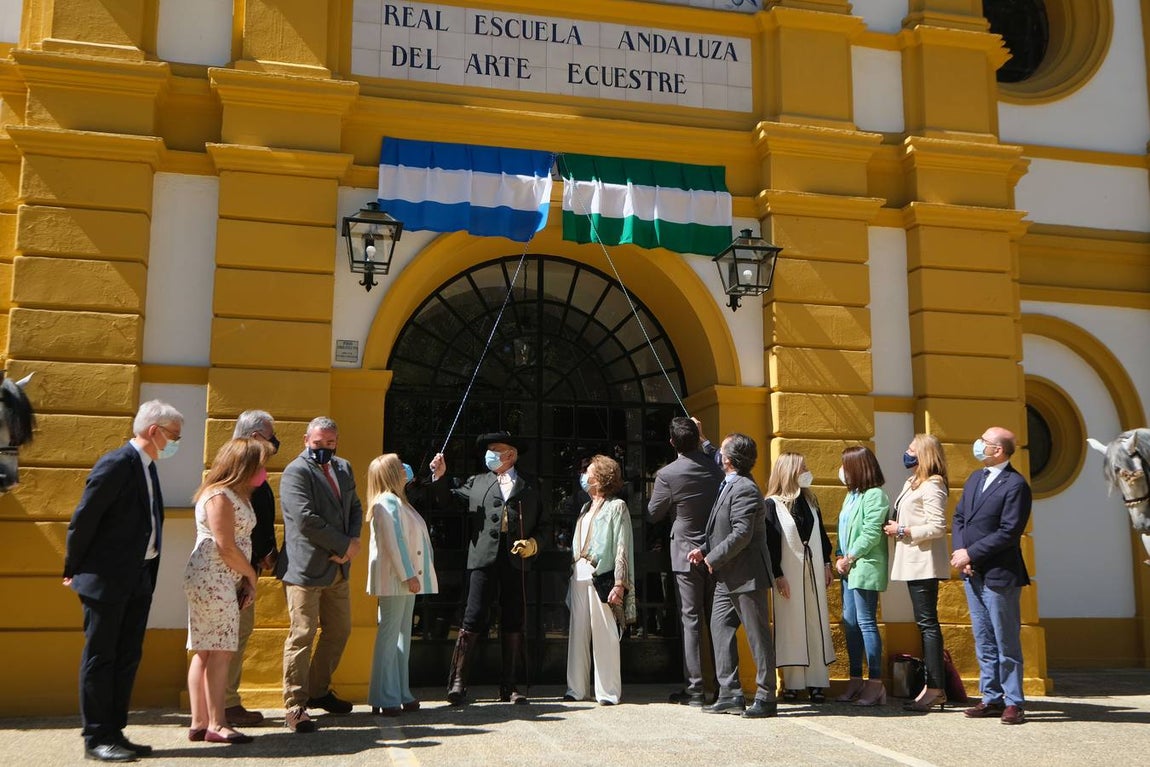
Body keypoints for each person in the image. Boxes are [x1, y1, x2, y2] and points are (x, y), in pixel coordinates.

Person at [63, 400, 184, 762]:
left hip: (138, 577)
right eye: (174, 436)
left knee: (127, 656)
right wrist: (73, 568)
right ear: (153, 432)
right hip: (105, 578)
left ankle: (115, 731)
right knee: (102, 657)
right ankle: (96, 737)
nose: (176, 443)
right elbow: (84, 519)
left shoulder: (148, 467)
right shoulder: (117, 463)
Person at [430, 431, 551, 704]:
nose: (491, 454)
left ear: (511, 455)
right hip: (482, 561)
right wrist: (440, 476)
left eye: (497, 449)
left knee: (513, 620)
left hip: (516, 561)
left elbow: (545, 526)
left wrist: (533, 544)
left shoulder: (531, 485)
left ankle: (509, 685)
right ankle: (458, 683)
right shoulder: (477, 482)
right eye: (489, 449)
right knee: (472, 618)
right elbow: (447, 501)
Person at [276, 417, 364, 733]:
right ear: (305, 440)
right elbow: (305, 519)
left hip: (339, 566)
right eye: (318, 444)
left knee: (339, 630)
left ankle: (318, 690)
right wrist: (343, 544)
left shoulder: (344, 467)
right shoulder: (295, 472)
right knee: (302, 634)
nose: (325, 449)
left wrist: (352, 544)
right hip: (305, 568)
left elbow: (355, 506)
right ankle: (295, 705)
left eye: (330, 444)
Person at [687, 433, 777, 719]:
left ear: (727, 459)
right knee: (720, 629)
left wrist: (713, 558)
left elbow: (741, 534)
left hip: (747, 576)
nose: (718, 454)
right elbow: (721, 528)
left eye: (721, 451)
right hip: (728, 576)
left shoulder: (745, 489)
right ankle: (730, 693)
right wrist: (704, 549)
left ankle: (766, 696)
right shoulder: (729, 484)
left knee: (757, 637)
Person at [184, 438, 268, 745]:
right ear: (242, 465)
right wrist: (251, 576)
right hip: (213, 578)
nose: (263, 470)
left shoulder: (232, 493)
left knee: (205, 650)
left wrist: (244, 577)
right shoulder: (219, 495)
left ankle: (200, 722)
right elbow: (226, 546)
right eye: (259, 464)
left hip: (218, 578)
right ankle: (216, 724)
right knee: (219, 650)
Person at [951, 427, 1032, 725]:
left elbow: (1009, 532)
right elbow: (959, 518)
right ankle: (992, 697)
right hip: (972, 572)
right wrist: (962, 553)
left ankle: (1014, 702)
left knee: (1005, 639)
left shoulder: (1016, 485)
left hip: (1000, 574)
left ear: (999, 450)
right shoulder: (976, 478)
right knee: (983, 637)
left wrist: (972, 553)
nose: (979, 445)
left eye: (984, 441)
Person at [647, 417, 723, 706]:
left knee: (691, 621)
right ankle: (722, 686)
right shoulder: (716, 467)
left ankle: (694, 689)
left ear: (671, 443)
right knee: (717, 620)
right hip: (716, 552)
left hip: (685, 553)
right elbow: (719, 456)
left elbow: (654, 513)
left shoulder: (668, 474)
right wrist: (705, 438)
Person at [365, 454, 439, 716]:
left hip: (404, 580)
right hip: (396, 579)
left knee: (400, 638)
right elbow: (393, 542)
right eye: (399, 466)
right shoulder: (387, 503)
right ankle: (383, 695)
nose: (404, 469)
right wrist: (408, 574)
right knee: (390, 637)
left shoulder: (399, 501)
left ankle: (399, 691)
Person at [883, 433, 950, 712]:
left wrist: (903, 530)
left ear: (924, 454)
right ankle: (933, 688)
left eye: (912, 448)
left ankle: (935, 688)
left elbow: (937, 527)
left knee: (927, 623)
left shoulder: (933, 485)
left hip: (924, 562)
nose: (907, 452)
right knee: (924, 623)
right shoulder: (913, 482)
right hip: (912, 560)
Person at [223, 410, 281, 727]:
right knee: (231, 637)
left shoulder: (244, 468)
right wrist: (261, 559)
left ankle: (226, 701)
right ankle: (226, 703)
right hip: (235, 570)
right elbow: (247, 525)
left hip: (246, 567)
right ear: (256, 436)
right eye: (270, 436)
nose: (274, 443)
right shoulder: (239, 472)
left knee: (235, 636)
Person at [764, 452, 834, 704]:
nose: (807, 471)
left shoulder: (811, 501)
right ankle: (792, 683)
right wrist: (777, 574)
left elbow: (823, 537)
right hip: (788, 574)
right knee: (790, 626)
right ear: (790, 472)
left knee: (815, 624)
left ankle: (817, 682)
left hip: (813, 571)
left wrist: (827, 563)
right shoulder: (772, 505)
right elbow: (770, 543)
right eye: (803, 467)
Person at [565, 455, 636, 705]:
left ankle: (607, 691)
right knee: (578, 633)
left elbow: (621, 547)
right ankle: (576, 688)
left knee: (605, 633)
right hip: (578, 575)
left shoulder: (617, 506)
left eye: (590, 471)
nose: (585, 476)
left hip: (602, 575)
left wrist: (620, 582)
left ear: (602, 477)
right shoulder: (585, 508)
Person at [834, 445, 890, 707]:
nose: (843, 471)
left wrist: (850, 556)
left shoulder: (875, 495)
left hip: (864, 565)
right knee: (850, 623)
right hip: (848, 566)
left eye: (846, 465)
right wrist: (838, 555)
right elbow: (843, 529)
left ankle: (875, 682)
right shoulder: (852, 495)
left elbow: (871, 532)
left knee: (866, 622)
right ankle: (855, 678)